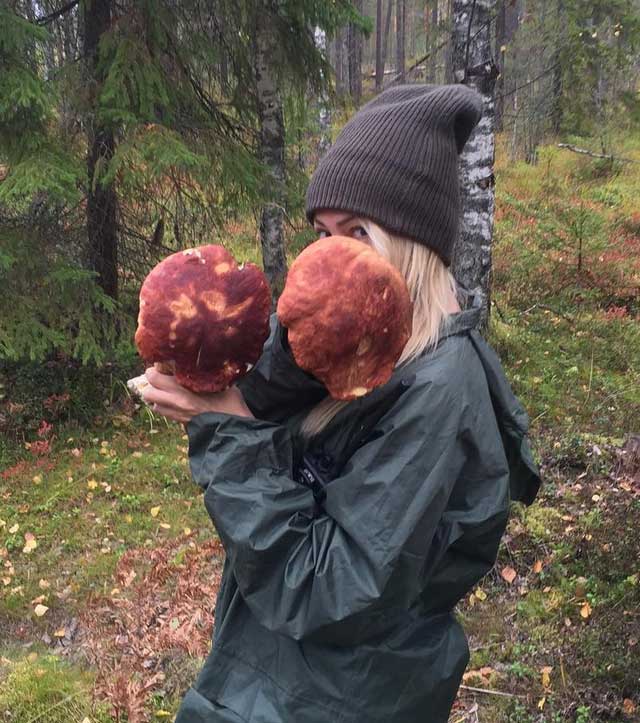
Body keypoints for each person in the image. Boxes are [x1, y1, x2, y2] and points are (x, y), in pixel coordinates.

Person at [142, 83, 541, 722]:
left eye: (358, 231)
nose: (333, 255)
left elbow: (329, 588)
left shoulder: (437, 393)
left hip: (342, 697)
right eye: (324, 233)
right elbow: (264, 401)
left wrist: (228, 433)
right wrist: (219, 360)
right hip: (274, 678)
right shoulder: (353, 346)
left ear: (411, 247)